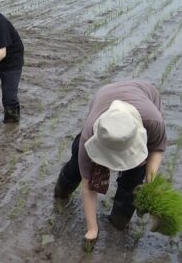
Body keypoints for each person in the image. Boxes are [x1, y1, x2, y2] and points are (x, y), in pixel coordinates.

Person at [53, 79, 168, 248]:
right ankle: (61, 192)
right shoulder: (90, 134)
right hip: (104, 97)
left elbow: (157, 148)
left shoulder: (153, 121)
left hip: (143, 100)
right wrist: (92, 229)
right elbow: (88, 186)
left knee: (132, 181)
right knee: (77, 165)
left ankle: (119, 220)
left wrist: (150, 185)